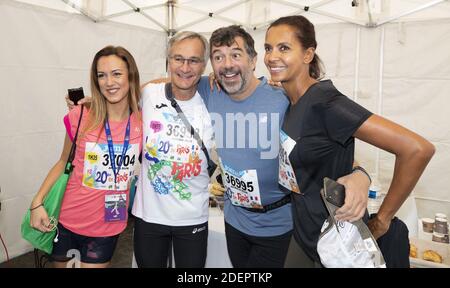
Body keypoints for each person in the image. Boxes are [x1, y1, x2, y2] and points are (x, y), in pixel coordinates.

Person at [263, 15, 435, 267]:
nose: (272, 56)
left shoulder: (324, 101)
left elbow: (417, 149)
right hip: (306, 236)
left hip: (339, 245)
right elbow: (327, 150)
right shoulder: (292, 100)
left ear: (308, 54)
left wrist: (382, 220)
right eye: (268, 48)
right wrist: (358, 172)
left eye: (284, 48)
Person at [197, 25, 371, 268]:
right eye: (218, 57)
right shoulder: (208, 90)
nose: (227, 64)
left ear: (254, 60)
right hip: (234, 220)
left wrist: (359, 174)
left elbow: (325, 149)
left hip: (279, 225)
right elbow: (173, 79)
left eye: (236, 55)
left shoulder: (283, 99)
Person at [29, 46, 142, 268]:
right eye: (102, 75)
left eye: (117, 73)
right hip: (68, 219)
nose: (109, 82)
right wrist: (37, 201)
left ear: (131, 76)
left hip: (108, 224)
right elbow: (63, 162)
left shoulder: (143, 122)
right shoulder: (80, 116)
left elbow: (168, 84)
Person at [131, 31, 214, 268]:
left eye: (194, 60)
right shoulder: (148, 93)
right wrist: (87, 106)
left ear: (204, 65)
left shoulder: (213, 101)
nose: (185, 67)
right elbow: (113, 101)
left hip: (192, 218)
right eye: (178, 58)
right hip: (149, 216)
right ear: (168, 60)